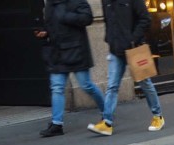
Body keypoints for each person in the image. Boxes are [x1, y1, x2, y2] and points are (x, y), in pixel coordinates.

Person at [87, 0, 165, 136]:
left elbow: (145, 18)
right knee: (112, 86)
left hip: (134, 48)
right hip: (116, 50)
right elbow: (108, 21)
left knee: (145, 83)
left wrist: (132, 39)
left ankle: (158, 116)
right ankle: (107, 122)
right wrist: (109, 39)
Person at [36, 0, 103, 137]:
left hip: (76, 50)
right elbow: (51, 25)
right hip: (58, 52)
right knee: (57, 87)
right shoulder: (50, 4)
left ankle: (107, 113)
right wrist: (45, 32)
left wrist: (66, 17)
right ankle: (57, 124)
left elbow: (87, 18)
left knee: (86, 85)